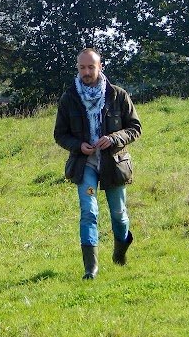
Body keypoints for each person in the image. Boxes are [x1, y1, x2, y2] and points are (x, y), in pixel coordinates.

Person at [54, 48, 141, 280]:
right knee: (89, 212)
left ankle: (120, 250)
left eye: (91, 67)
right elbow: (60, 134)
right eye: (82, 67)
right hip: (86, 167)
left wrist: (113, 139)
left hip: (113, 164)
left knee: (118, 214)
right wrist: (78, 146)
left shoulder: (118, 95)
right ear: (77, 68)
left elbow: (135, 128)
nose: (86, 72)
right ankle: (90, 269)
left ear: (100, 67)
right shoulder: (69, 98)